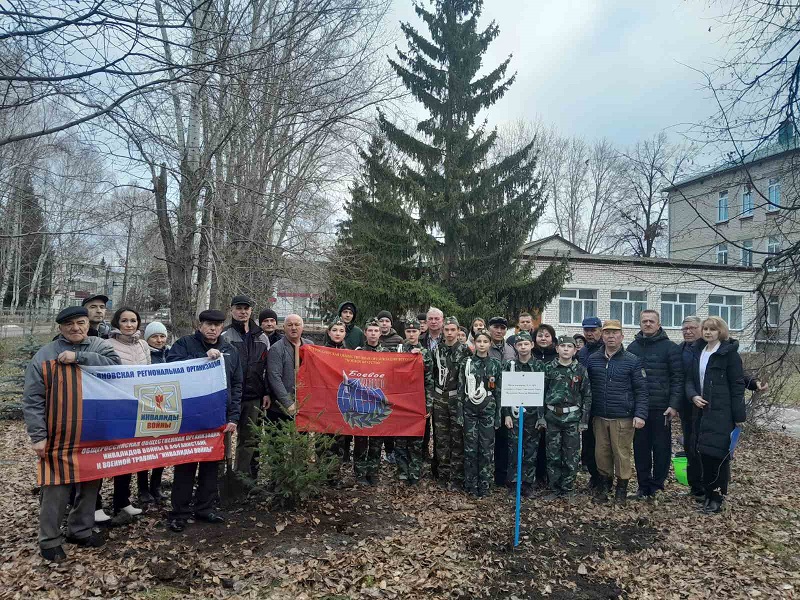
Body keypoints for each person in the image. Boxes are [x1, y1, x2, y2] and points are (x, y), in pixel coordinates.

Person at [23, 306, 120, 561]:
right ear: (60, 328)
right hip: (58, 435)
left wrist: (81, 358)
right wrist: (38, 436)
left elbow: (115, 369)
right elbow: (33, 400)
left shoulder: (99, 346)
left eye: (80, 322)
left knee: (90, 484)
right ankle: (50, 540)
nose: (75, 328)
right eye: (69, 324)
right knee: (56, 488)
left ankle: (80, 530)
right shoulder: (44, 355)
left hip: (92, 432)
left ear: (88, 323)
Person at [166, 310, 241, 532]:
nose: (213, 329)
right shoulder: (185, 344)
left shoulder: (230, 350)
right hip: (189, 415)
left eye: (217, 325)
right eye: (208, 324)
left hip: (217, 417)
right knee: (186, 465)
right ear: (200, 325)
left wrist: (234, 416)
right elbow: (171, 368)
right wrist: (201, 359)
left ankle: (205, 508)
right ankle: (179, 512)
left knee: (211, 465)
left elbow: (237, 384)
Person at [685, 316, 746, 514]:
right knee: (703, 454)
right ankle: (708, 495)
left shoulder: (729, 355)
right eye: (706, 329)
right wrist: (693, 396)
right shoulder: (698, 351)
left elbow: (737, 385)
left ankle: (717, 498)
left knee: (718, 456)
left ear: (721, 332)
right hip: (700, 411)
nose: (708, 332)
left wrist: (738, 416)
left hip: (722, 413)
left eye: (713, 329)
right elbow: (689, 380)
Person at [586, 319, 648, 504]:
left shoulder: (632, 361)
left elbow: (641, 390)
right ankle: (604, 488)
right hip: (599, 416)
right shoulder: (593, 359)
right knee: (601, 454)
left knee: (621, 454)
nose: (611, 336)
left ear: (622, 336)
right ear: (602, 336)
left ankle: (621, 491)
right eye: (607, 333)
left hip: (623, 417)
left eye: (615, 333)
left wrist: (640, 414)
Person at [626, 309, 684, 499]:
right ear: (640, 324)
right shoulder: (633, 348)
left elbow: (678, 379)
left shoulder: (670, 348)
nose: (648, 324)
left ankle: (657, 485)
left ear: (659, 324)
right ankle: (643, 486)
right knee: (641, 448)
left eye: (652, 321)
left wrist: (674, 405)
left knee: (661, 449)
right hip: (639, 409)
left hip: (662, 408)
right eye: (644, 321)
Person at [106, 307, 152, 516]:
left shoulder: (143, 345)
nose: (129, 325)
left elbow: (150, 371)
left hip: (139, 406)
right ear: (117, 323)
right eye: (124, 320)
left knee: (131, 455)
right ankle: (96, 504)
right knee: (115, 454)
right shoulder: (107, 345)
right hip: (116, 406)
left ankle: (122, 500)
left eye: (133, 320)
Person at [541, 335, 591, 500]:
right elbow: (541, 394)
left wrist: (584, 420)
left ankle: (568, 489)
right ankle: (554, 488)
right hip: (552, 417)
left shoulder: (580, 370)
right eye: (562, 346)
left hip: (572, 418)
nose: (566, 349)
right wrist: (541, 417)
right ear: (557, 349)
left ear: (575, 350)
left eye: (569, 347)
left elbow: (587, 396)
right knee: (553, 455)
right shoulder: (548, 368)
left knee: (571, 455)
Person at [458, 329, 502, 497]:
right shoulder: (467, 362)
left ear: (490, 344)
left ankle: (484, 484)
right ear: (474, 343)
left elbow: (498, 392)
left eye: (485, 341)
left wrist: (498, 415)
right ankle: (470, 483)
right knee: (470, 448)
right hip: (470, 409)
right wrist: (460, 413)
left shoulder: (496, 364)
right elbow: (461, 389)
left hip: (488, 409)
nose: (482, 344)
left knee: (486, 448)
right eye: (479, 341)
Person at [431, 316, 471, 490]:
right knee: (441, 439)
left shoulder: (465, 351)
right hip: (440, 398)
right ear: (443, 331)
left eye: (452, 330)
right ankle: (443, 475)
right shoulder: (437, 350)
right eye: (446, 330)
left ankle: (456, 478)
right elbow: (431, 372)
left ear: (457, 331)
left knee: (457, 439)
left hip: (457, 400)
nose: (449, 333)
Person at [502, 331, 542, 497]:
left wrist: (541, 417)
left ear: (532, 345)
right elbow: (503, 391)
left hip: (533, 415)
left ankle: (527, 483)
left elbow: (544, 393)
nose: (523, 347)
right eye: (519, 345)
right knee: (514, 449)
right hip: (515, 415)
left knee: (531, 450)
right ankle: (513, 483)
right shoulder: (509, 366)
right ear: (515, 347)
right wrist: (506, 414)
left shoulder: (540, 366)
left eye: (526, 344)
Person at [394, 319, 433, 485]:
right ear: (405, 333)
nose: (411, 334)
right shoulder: (399, 349)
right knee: (400, 440)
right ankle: (403, 472)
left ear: (420, 332)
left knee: (416, 441)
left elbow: (430, 380)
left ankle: (415, 473)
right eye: (408, 331)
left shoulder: (425, 352)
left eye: (414, 331)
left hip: (418, 402)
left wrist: (428, 404)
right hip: (401, 401)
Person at [235, 310, 273, 484]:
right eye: (238, 308)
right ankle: (222, 478)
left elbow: (267, 370)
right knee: (225, 441)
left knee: (249, 440)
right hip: (231, 397)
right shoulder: (227, 335)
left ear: (250, 311)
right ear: (232, 310)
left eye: (246, 308)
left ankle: (244, 480)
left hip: (254, 396)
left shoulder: (261, 337)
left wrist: (266, 392)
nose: (242, 311)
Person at [354, 318, 387, 484]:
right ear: (365, 332)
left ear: (380, 333)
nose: (373, 334)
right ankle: (360, 472)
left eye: (376, 331)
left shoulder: (387, 354)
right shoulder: (358, 352)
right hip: (361, 401)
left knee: (376, 440)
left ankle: (372, 471)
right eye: (370, 331)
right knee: (361, 439)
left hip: (379, 402)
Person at [266, 314, 313, 420]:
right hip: (280, 408)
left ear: (302, 327)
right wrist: (288, 403)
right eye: (289, 325)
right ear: (284, 328)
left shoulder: (309, 346)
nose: (294, 328)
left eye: (297, 324)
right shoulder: (277, 349)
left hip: (304, 405)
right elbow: (274, 377)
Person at [486, 316, 514, 486]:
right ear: (490, 328)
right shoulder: (484, 347)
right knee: (487, 439)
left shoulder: (511, 350)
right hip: (488, 399)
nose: (499, 331)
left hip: (506, 399)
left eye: (502, 328)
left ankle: (501, 476)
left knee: (504, 439)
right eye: (496, 327)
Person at [577, 316, 604, 489]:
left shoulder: (605, 349)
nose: (590, 334)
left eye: (593, 330)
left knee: (603, 445)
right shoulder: (582, 352)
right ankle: (594, 476)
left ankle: (604, 478)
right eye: (587, 330)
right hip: (586, 404)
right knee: (588, 443)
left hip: (602, 401)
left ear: (600, 331)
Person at [143, 321, 169, 501]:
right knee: (145, 451)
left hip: (167, 407)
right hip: (146, 407)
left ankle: (156, 485)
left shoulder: (171, 353)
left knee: (162, 450)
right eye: (154, 336)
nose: (159, 340)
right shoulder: (144, 355)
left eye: (162, 336)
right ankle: (143, 489)